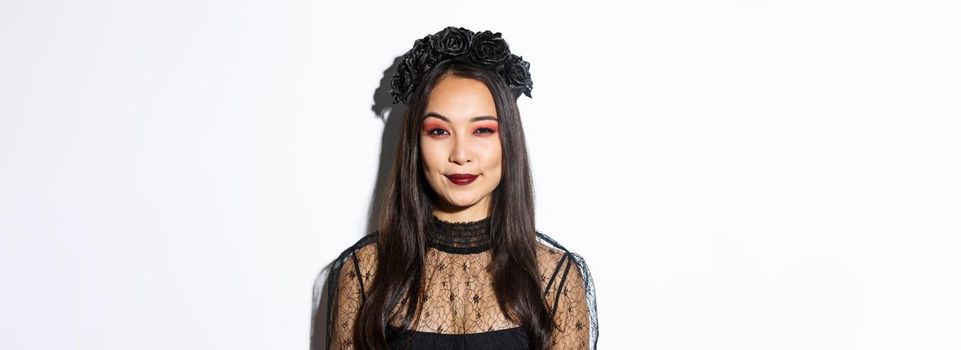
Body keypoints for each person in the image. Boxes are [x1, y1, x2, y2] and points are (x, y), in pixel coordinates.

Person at [323, 27, 598, 350]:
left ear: (508, 141)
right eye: (439, 131)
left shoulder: (554, 278)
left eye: (481, 130)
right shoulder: (366, 273)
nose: (461, 154)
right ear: (415, 143)